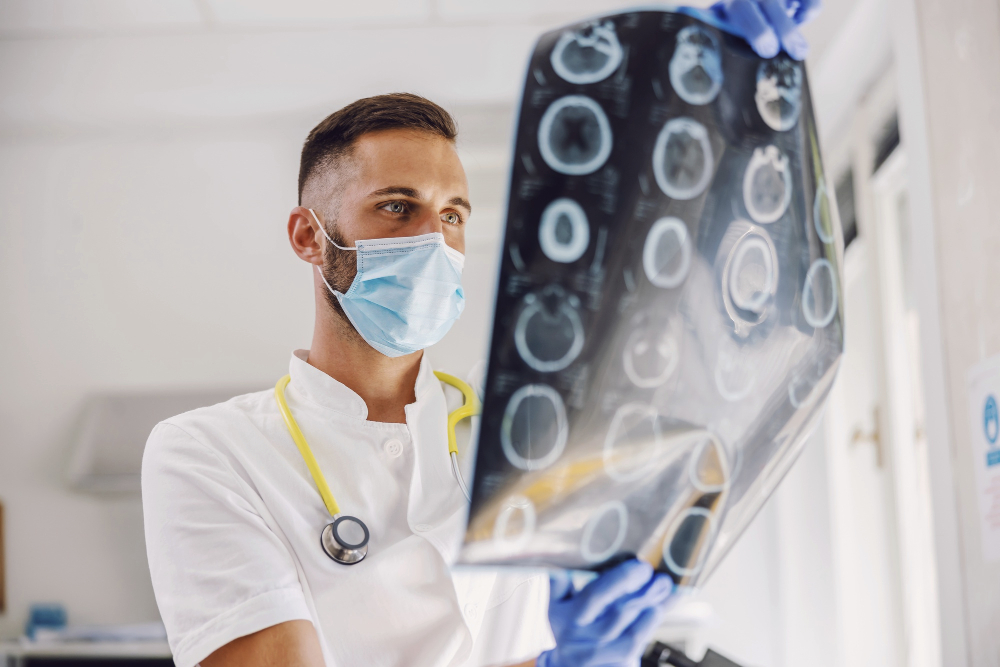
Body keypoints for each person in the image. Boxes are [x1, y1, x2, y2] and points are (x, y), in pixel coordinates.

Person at [141, 5, 819, 666]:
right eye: (397, 207)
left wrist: (710, 91)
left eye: (454, 214)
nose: (434, 240)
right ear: (307, 237)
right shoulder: (209, 454)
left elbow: (666, 277)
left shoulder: (530, 438)